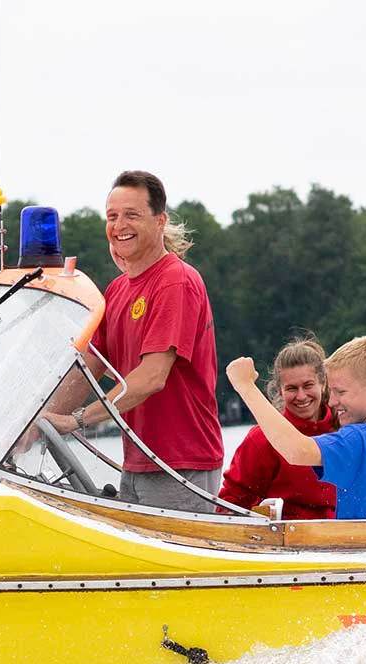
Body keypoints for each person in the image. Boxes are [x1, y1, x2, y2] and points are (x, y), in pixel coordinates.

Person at [40, 170, 224, 511]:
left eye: (132, 215)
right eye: (112, 216)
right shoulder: (118, 289)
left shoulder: (176, 281)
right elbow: (88, 368)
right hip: (137, 461)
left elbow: (151, 377)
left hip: (181, 464)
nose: (119, 225)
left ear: (160, 220)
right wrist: (36, 423)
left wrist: (77, 420)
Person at [225, 336, 366, 520]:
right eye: (291, 388)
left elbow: (297, 450)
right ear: (280, 391)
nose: (333, 401)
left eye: (341, 392)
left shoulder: (355, 439)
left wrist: (245, 386)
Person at [217, 335, 341, 519]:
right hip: (285, 540)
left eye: (308, 385)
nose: (301, 396)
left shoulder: (347, 428)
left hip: (346, 536)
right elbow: (229, 505)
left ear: (323, 384)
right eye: (292, 388)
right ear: (280, 391)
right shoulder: (261, 439)